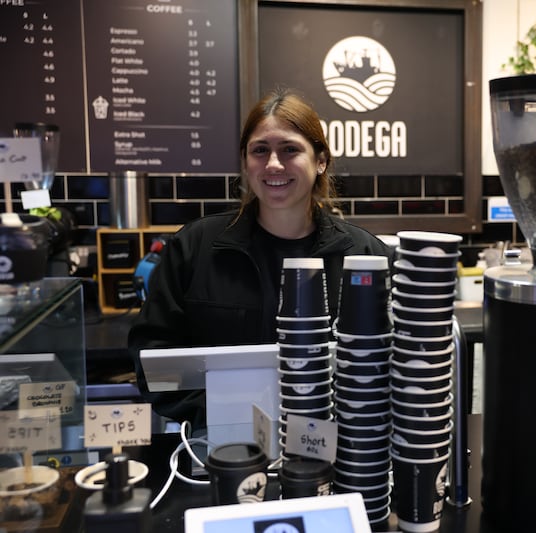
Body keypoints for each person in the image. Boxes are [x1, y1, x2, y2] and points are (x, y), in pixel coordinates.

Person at [128, 88, 394, 428]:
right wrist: (219, 414)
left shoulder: (365, 256)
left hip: (337, 444)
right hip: (222, 445)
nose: (273, 164)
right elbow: (152, 359)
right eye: (260, 150)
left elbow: (392, 366)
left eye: (290, 149)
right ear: (245, 161)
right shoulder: (194, 248)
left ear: (321, 160)